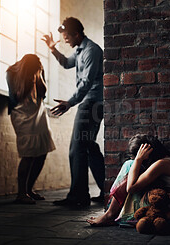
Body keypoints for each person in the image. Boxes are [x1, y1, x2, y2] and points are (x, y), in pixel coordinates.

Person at [41, 17, 105, 206]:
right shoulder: (80, 50)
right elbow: (67, 63)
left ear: (76, 34)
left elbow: (86, 82)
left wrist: (69, 103)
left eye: (67, 37)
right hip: (90, 102)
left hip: (92, 103)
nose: (66, 41)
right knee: (90, 147)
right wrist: (53, 49)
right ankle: (107, 190)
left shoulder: (91, 51)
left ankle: (79, 197)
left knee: (77, 149)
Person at [87, 134, 170, 227]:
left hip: (167, 207)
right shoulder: (165, 160)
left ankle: (110, 214)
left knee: (129, 164)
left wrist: (137, 160)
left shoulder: (162, 164)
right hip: (166, 205)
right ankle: (111, 214)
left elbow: (131, 188)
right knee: (133, 168)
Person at [6, 54, 56, 204]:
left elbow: (43, 93)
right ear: (27, 68)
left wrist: (39, 76)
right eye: (35, 70)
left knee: (42, 152)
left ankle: (29, 190)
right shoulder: (12, 73)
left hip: (38, 113)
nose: (38, 71)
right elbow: (14, 98)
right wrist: (26, 83)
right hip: (22, 114)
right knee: (28, 154)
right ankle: (21, 193)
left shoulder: (38, 71)